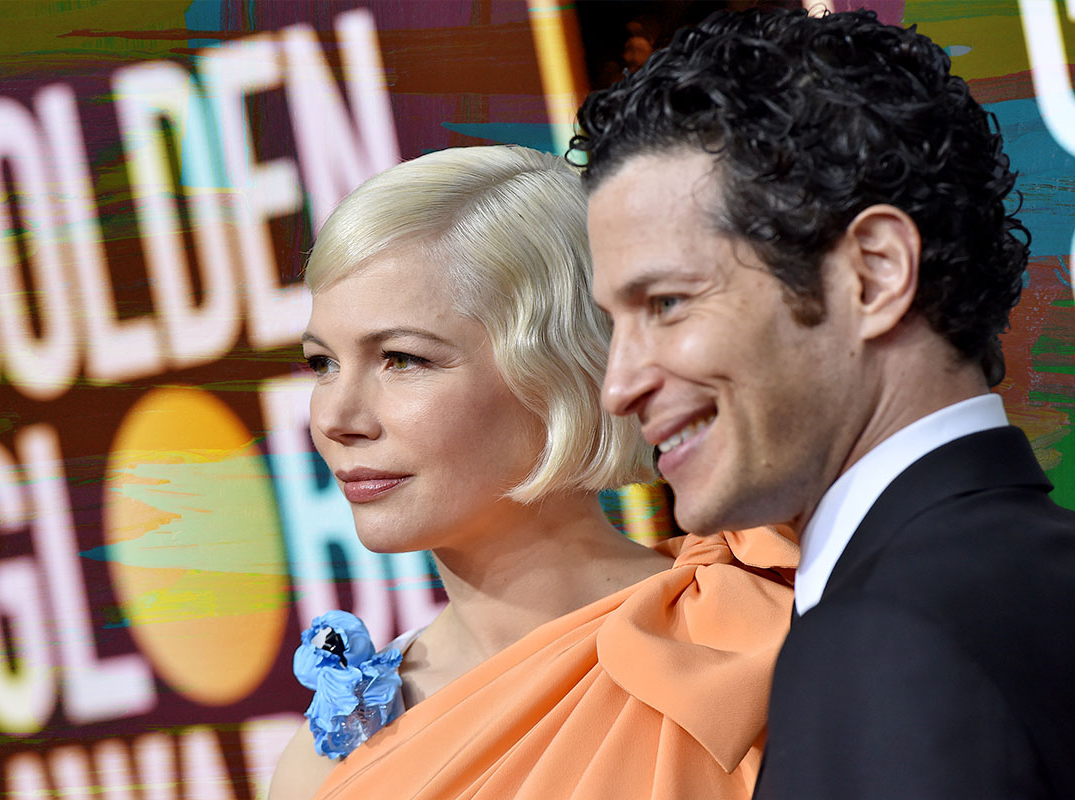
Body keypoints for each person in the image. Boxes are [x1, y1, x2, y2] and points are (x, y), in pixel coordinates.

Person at [575, 7, 1075, 799]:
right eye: (614, 324)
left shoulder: (884, 638)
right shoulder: (1033, 574)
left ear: (873, 275)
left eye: (666, 304)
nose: (619, 384)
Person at [269, 145, 798, 800]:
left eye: (401, 359)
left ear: (566, 371)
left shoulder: (748, 649)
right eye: (323, 363)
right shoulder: (326, 764)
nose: (336, 417)